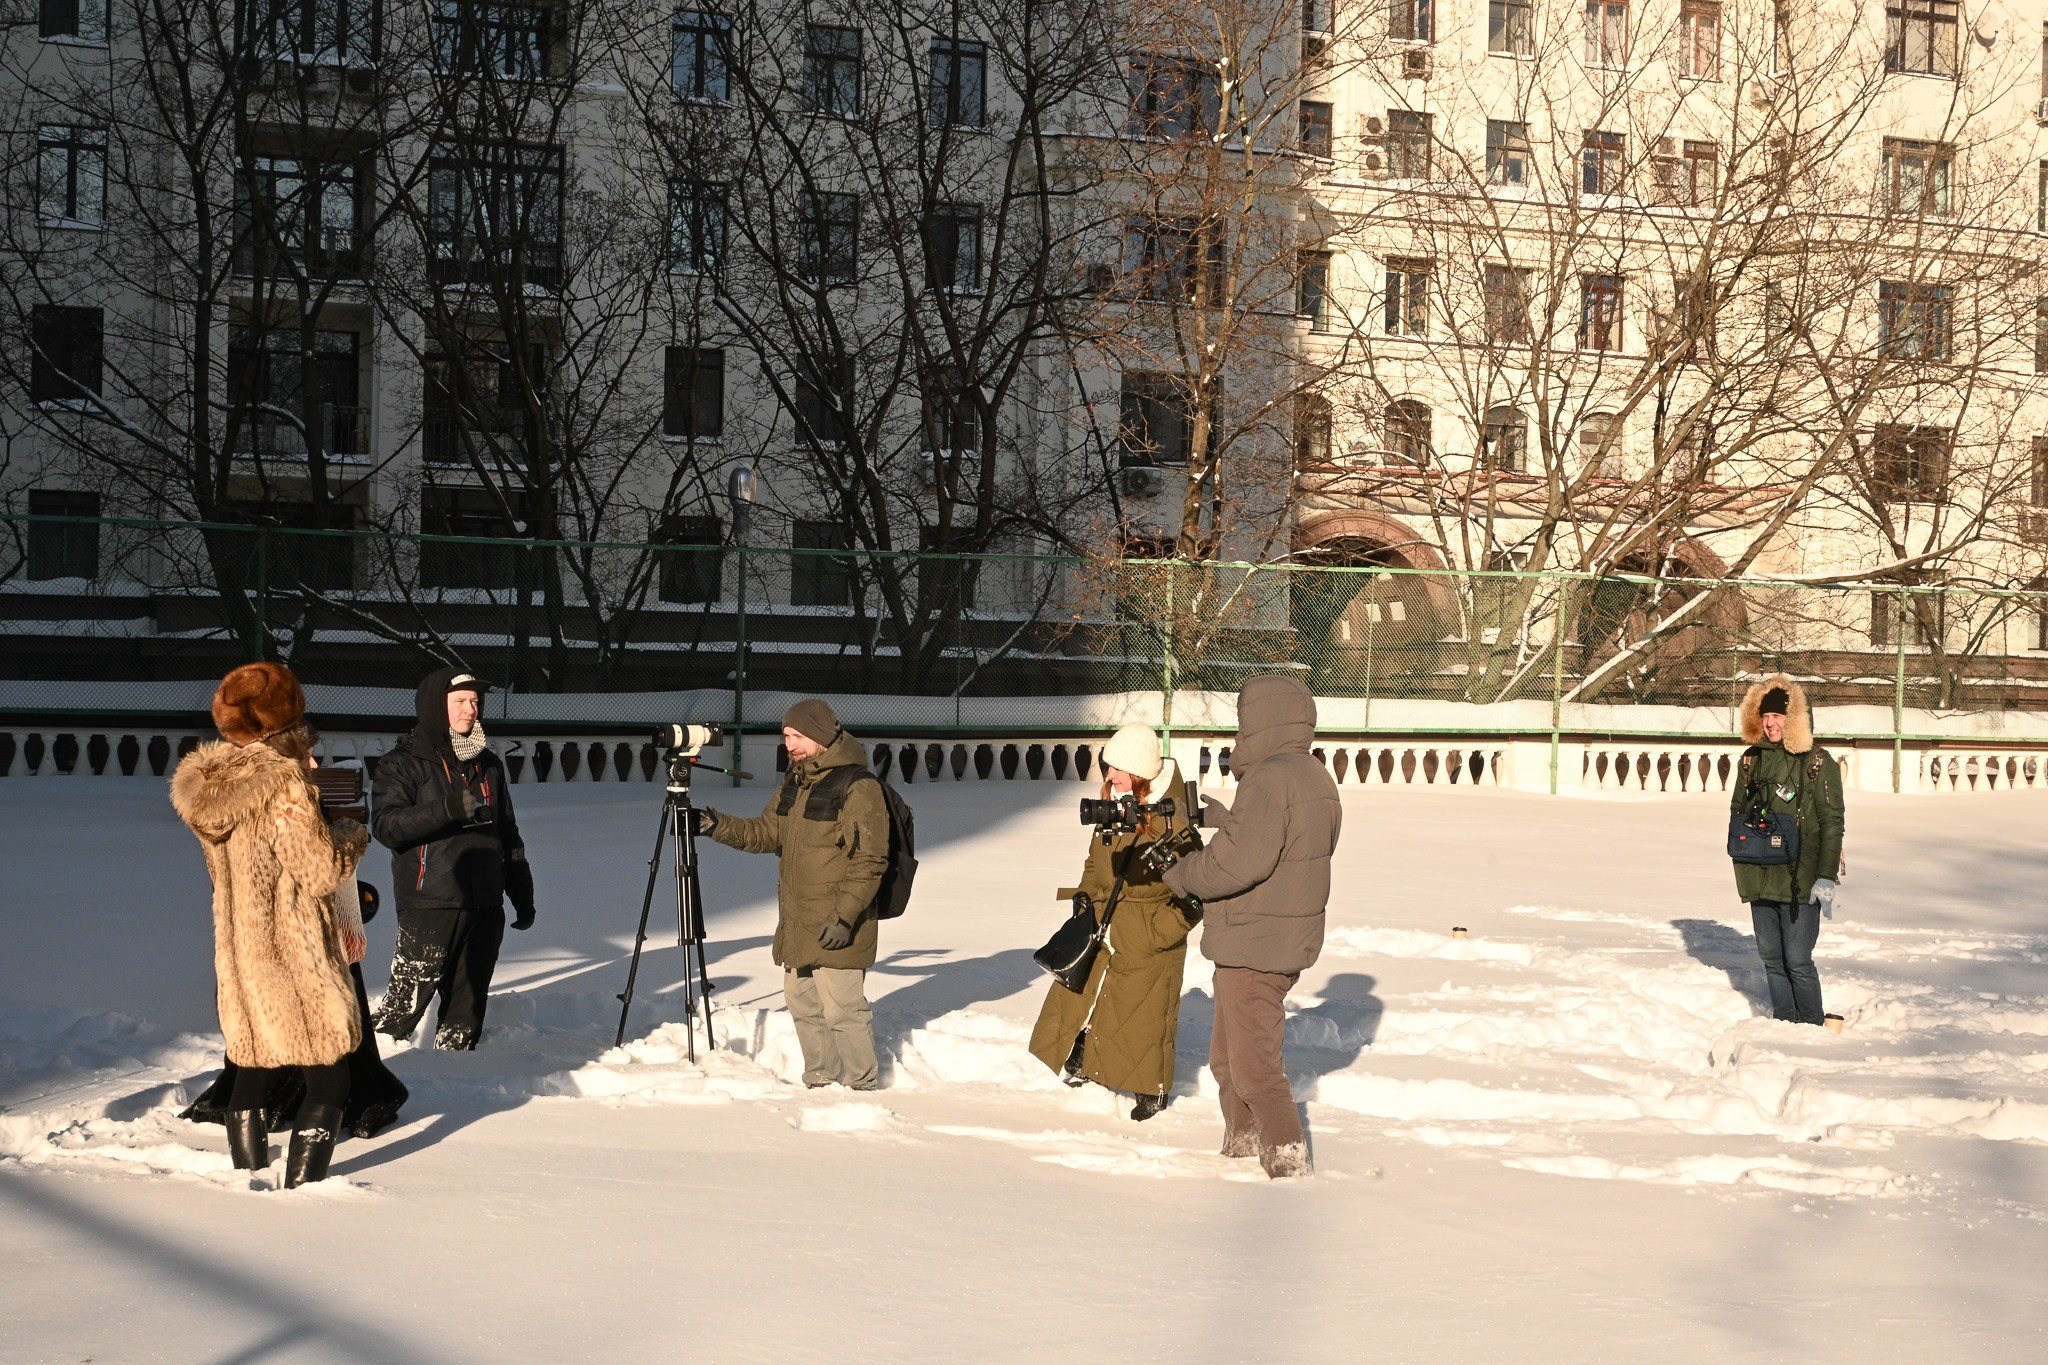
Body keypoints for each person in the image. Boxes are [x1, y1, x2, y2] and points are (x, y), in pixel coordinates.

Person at [170, 663, 369, 1186]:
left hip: (241, 954)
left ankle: (249, 1177)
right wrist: (349, 834)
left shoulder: (209, 793)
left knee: (252, 1068)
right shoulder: (285, 787)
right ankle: (302, 1189)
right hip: (294, 951)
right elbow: (319, 871)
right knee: (330, 1076)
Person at [1160, 675, 1342, 1178]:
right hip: (1275, 939)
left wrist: (1182, 875)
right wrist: (1228, 820)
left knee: (1256, 1071)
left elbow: (1238, 865)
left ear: (1259, 722)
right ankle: (1240, 1147)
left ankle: (1287, 1164)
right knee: (1227, 1060)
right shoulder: (1311, 776)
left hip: (1256, 944)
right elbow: (1283, 848)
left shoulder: (1267, 780)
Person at [699, 700, 888, 1090]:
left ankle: (862, 1085)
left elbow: (870, 860)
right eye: (786, 736)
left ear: (820, 737)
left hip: (839, 922)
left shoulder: (858, 786)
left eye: (797, 736)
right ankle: (820, 1080)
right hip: (799, 921)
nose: (790, 744)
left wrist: (844, 918)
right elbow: (768, 833)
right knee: (803, 1004)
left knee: (843, 1009)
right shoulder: (796, 782)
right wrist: (715, 824)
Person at [1028, 724, 1200, 1121]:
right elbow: (1095, 861)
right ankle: (1083, 1055)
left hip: (1148, 931)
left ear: (1140, 772)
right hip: (1103, 921)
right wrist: (1085, 901)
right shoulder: (1115, 805)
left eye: (1117, 770)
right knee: (1086, 993)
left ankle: (1151, 1089)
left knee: (1145, 1016)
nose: (1108, 777)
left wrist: (1161, 930)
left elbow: (1195, 892)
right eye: (1108, 768)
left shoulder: (1174, 817)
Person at [371, 668, 536, 1051]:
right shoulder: (403, 763)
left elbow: (507, 833)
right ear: (435, 707)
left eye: (476, 702)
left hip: (485, 903)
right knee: (403, 1008)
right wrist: (446, 808)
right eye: (460, 701)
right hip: (430, 901)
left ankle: (456, 1075)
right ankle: (372, 1075)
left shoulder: (488, 764)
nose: (471, 709)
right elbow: (385, 826)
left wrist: (520, 892)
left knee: (466, 1011)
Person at [1731, 674, 1845, 1027]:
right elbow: (1737, 812)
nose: (1770, 724)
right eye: (1765, 716)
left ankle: (1811, 1026)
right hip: (1758, 872)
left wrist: (1825, 875)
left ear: (1793, 718)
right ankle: (1784, 1023)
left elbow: (1832, 821)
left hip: (1801, 875)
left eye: (1778, 716)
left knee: (1797, 959)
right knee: (1771, 958)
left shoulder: (1817, 762)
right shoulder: (1750, 761)